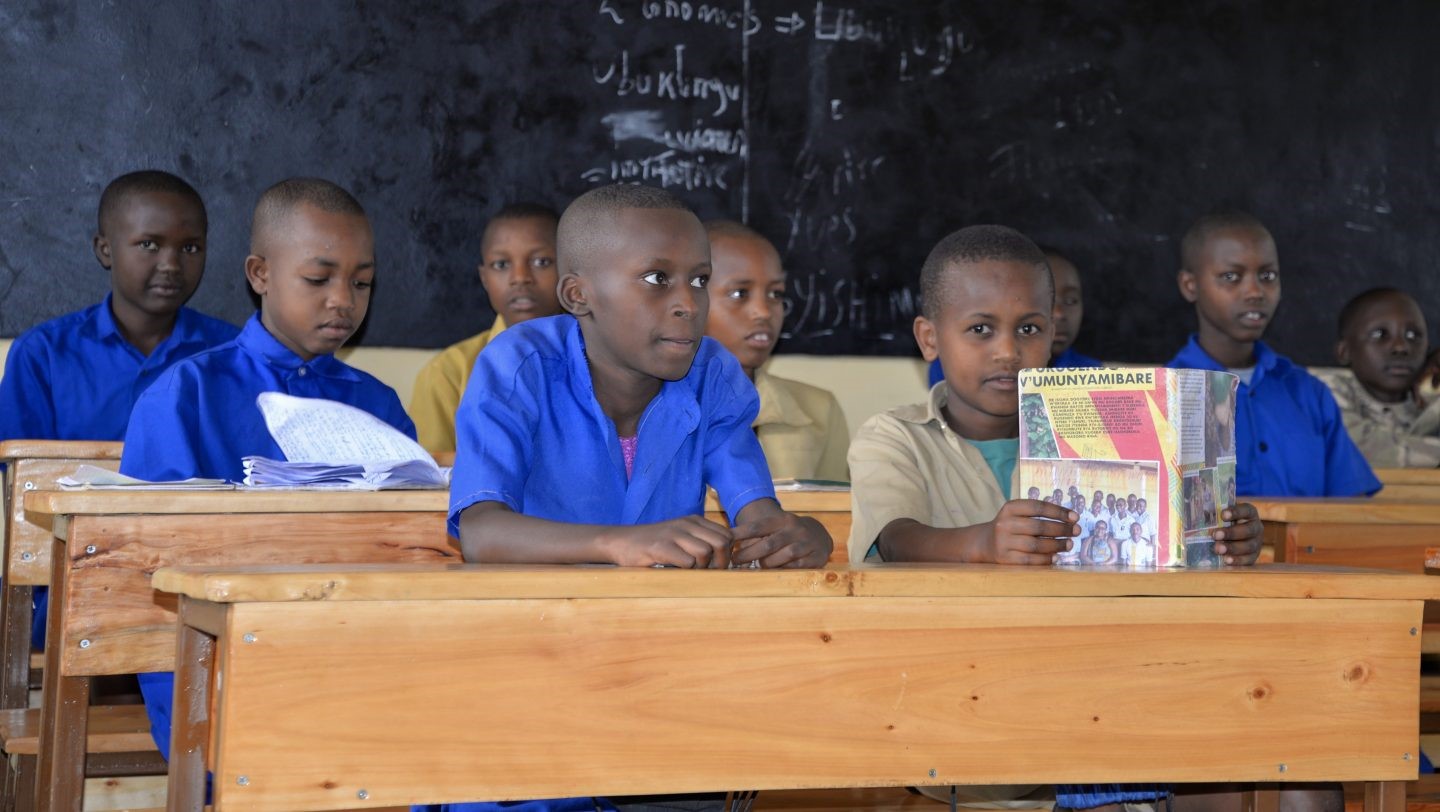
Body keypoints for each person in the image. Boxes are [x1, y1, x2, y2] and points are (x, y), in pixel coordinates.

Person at [848, 223, 1267, 811]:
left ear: (1054, 334)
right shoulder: (894, 438)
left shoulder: (1104, 433)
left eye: (1028, 329)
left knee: (1282, 753)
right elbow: (893, 541)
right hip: (958, 707)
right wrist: (983, 545)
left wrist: (1219, 536)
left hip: (1099, 683)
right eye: (979, 329)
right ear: (929, 338)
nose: (1007, 351)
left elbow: (1160, 564)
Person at [444, 183, 832, 812]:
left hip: (658, 674)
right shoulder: (517, 367)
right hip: (526, 666)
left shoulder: (714, 375)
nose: (688, 305)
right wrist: (619, 543)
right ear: (579, 295)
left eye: (700, 281)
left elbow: (757, 516)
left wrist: (796, 536)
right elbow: (481, 533)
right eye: (657, 279)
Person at [119, 178, 414, 758]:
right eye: (318, 279)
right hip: (214, 658)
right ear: (259, 274)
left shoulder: (377, 404)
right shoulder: (186, 394)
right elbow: (157, 569)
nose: (343, 300)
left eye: (362, 283)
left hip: (355, 651)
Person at [0, 169, 238, 649]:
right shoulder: (44, 355)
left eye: (190, 248)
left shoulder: (230, 355)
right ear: (105, 249)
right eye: (149, 245)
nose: (171, 263)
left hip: (198, 579)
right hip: (74, 578)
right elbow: (25, 491)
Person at [1168, 211, 1379, 497]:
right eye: (1231, 276)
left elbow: (1349, 506)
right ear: (1190, 285)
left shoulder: (1308, 393)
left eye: (1268, 276)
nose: (1255, 291)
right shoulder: (1167, 396)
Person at [409, 203, 563, 453]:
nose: (520, 277)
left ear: (569, 269)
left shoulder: (600, 364)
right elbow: (429, 476)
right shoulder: (449, 373)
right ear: (484, 278)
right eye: (502, 265)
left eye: (541, 261)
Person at [702, 220, 848, 481]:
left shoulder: (817, 410)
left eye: (775, 294)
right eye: (739, 293)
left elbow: (834, 513)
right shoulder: (646, 408)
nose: (764, 311)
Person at [927, 246, 1101, 385]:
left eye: (1071, 301)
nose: (1059, 313)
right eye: (1046, 299)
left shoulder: (1094, 376)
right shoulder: (955, 366)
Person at [1326, 287, 1440, 467]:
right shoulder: (1321, 390)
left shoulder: (1427, 397)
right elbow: (1359, 447)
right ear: (1344, 352)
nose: (1401, 347)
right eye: (1380, 335)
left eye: (1412, 336)